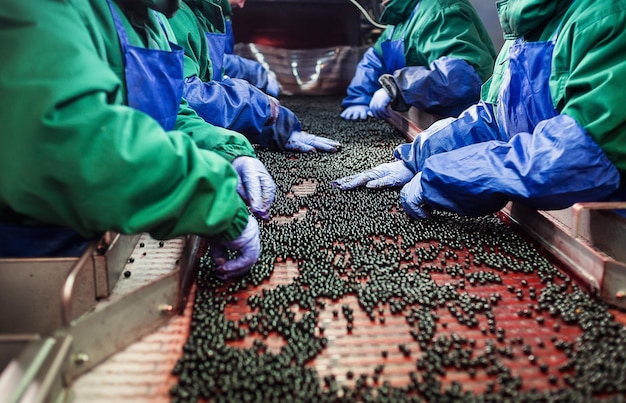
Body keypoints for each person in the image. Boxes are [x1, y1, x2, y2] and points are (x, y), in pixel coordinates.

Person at [0, 0, 275, 281]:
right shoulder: (43, 9)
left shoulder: (152, 20)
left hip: (116, 231)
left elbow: (170, 113)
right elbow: (72, 141)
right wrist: (212, 201)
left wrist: (228, 152)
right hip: (33, 256)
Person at [333, 0, 626, 220]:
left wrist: (455, 174)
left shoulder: (609, 15)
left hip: (608, 226)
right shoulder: (523, 27)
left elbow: (578, 157)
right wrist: (419, 158)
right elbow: (496, 119)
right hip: (544, 200)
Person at [169, 0, 341, 153]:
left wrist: (275, 129)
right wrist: (260, 107)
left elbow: (211, 78)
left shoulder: (207, 16)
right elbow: (184, 99)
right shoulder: (175, 15)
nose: (242, 4)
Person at [340, 0, 496, 121]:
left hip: (467, 120)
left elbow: (460, 77)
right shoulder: (400, 19)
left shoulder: (440, 10)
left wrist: (399, 87)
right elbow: (374, 61)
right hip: (428, 117)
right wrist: (359, 99)